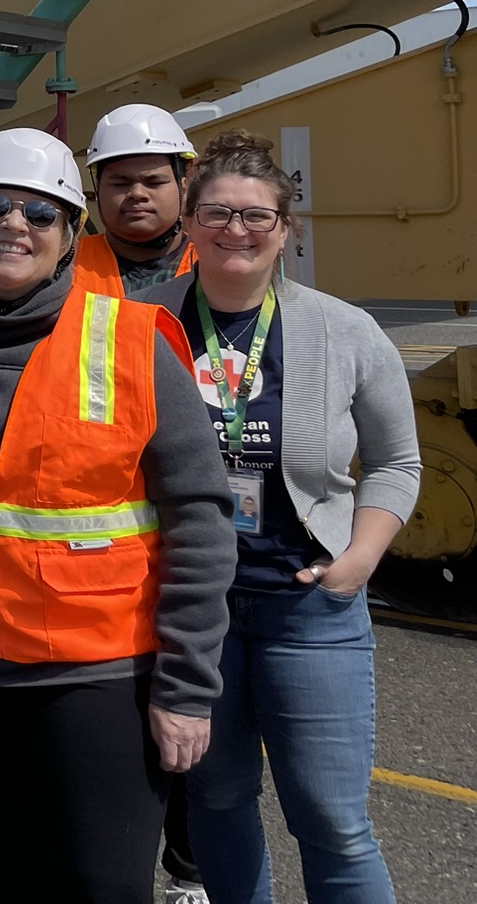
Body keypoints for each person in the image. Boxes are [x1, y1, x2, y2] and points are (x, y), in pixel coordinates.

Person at [0, 129, 236, 904]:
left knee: (102, 887)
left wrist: (186, 686)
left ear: (70, 237)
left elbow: (200, 518)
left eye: (42, 212)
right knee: (21, 876)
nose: (15, 224)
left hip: (100, 673)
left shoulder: (133, 341)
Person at [138, 130, 420, 904]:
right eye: (219, 213)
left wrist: (360, 558)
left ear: (286, 233)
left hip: (308, 606)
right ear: (189, 224)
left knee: (332, 820)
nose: (237, 230)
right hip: (193, 612)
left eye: (257, 216)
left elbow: (397, 464)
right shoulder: (137, 325)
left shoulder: (346, 330)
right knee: (218, 802)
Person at [76, 104, 206, 902]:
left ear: (182, 184)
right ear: (94, 190)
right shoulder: (70, 260)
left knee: (193, 708)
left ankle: (189, 870)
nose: (135, 197)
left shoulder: (222, 253)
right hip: (102, 516)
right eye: (118, 183)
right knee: (125, 719)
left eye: (153, 181)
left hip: (192, 498)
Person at [77, 104, 200, 296]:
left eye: (154, 182)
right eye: (120, 183)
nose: (137, 193)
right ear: (98, 190)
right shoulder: (64, 266)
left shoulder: (213, 262)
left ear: (183, 188)